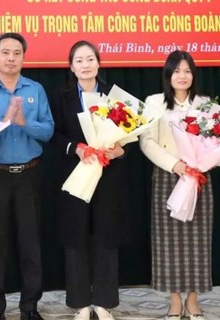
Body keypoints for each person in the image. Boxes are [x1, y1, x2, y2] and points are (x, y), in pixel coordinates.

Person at [0, 33, 54, 320]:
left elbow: (48, 131)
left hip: (29, 175)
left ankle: (29, 306)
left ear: (23, 57)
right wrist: (2, 125)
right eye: (5, 52)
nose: (10, 58)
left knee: (31, 242)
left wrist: (23, 123)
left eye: (16, 53)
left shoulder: (36, 89)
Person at [50, 41, 126, 320]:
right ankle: (81, 304)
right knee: (76, 237)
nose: (85, 64)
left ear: (98, 63)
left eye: (90, 59)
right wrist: (77, 148)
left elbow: (129, 132)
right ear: (71, 66)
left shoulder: (114, 95)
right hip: (76, 173)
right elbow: (55, 134)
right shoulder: (61, 97)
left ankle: (104, 303)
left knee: (105, 236)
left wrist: (120, 149)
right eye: (79, 60)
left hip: (107, 175)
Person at [139, 50, 210, 320]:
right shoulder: (154, 102)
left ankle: (193, 300)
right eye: (176, 71)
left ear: (193, 75)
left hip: (199, 177)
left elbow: (216, 140)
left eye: (187, 71)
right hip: (168, 175)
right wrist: (175, 165)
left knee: (197, 241)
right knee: (167, 242)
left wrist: (199, 164)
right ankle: (175, 301)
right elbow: (147, 141)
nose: (182, 76)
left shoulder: (204, 104)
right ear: (168, 74)